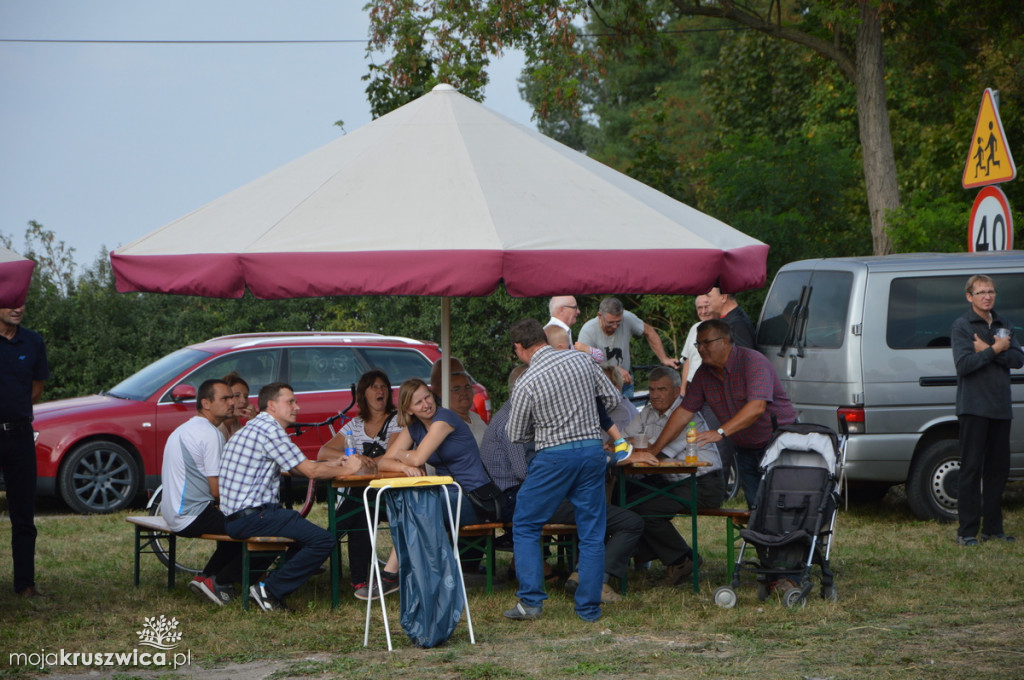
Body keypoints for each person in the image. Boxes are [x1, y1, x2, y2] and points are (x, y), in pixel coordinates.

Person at [479, 366, 648, 604]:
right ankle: (593, 581)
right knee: (628, 521)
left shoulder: (513, 416)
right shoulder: (511, 422)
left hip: (528, 497)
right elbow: (525, 473)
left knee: (597, 509)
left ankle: (580, 571)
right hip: (524, 500)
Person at [503, 318, 621, 622]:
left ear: (519, 347)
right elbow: (613, 398)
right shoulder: (581, 360)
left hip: (553, 457)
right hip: (592, 451)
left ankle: (530, 602)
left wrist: (544, 431)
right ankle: (588, 608)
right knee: (592, 532)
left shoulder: (526, 381)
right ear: (543, 337)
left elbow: (516, 434)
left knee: (526, 524)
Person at [220, 382, 376, 611]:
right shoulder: (270, 430)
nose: (298, 407)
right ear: (272, 405)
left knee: (303, 532)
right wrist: (348, 470)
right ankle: (269, 590)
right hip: (254, 516)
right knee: (324, 540)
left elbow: (296, 467)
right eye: (290, 402)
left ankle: (268, 584)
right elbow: (310, 472)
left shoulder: (258, 427)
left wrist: (332, 464)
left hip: (238, 517)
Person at [648, 319, 797, 508]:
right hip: (745, 448)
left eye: (706, 343)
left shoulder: (753, 361)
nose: (700, 349)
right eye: (698, 344)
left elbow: (757, 407)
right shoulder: (703, 373)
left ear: (725, 341)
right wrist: (655, 450)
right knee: (756, 509)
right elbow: (683, 412)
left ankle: (795, 538)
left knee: (785, 506)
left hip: (779, 444)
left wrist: (719, 432)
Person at [622, 366, 725, 586]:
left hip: (705, 484)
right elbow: (622, 441)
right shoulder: (648, 412)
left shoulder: (688, 417)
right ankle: (669, 558)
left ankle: (683, 559)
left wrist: (639, 445)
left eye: (662, 389)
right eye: (651, 389)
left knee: (643, 510)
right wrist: (637, 445)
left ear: (677, 390)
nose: (655, 395)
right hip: (673, 481)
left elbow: (657, 453)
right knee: (625, 503)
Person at [951, 275, 1023, 546]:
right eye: (981, 292)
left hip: (1000, 407)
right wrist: (994, 350)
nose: (987, 296)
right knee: (971, 469)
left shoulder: (1004, 323)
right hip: (974, 407)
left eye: (990, 291)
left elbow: (1017, 359)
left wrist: (991, 351)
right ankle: (967, 532)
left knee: (998, 470)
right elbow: (964, 365)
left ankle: (993, 529)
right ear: (969, 297)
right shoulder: (962, 326)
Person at [318, 369, 402, 599]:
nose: (380, 391)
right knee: (362, 510)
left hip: (391, 494)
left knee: (358, 506)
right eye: (374, 387)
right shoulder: (356, 424)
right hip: (362, 493)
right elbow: (323, 451)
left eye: (383, 386)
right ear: (363, 394)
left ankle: (322, 545)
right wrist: (349, 460)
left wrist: (364, 462)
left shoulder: (397, 420)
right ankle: (357, 581)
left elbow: (391, 458)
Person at [160, 379, 242, 605]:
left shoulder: (184, 428)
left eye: (232, 397)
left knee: (235, 524)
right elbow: (217, 491)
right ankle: (219, 581)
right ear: (206, 403)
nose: (232, 403)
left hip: (173, 513)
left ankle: (205, 577)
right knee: (250, 526)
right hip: (192, 515)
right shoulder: (210, 434)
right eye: (225, 399)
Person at [0, 304, 49, 598]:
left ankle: (25, 584)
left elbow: (36, 390)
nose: (18, 309)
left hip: (18, 434)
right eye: (10, 303)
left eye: (22, 303)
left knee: (23, 514)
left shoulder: (33, 341)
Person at [577, 297, 680, 398]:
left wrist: (664, 359)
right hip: (601, 387)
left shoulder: (627, 318)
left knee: (628, 413)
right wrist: (614, 371)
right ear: (600, 316)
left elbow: (649, 332)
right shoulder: (587, 331)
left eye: (618, 322)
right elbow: (585, 367)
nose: (615, 326)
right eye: (610, 323)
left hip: (626, 383)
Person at [545, 295, 604, 362]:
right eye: (574, 308)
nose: (578, 311)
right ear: (561, 309)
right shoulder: (550, 335)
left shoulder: (553, 332)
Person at [680, 294, 715, 393]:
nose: (703, 311)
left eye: (706, 306)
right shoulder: (694, 328)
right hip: (693, 387)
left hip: (712, 388)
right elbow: (688, 360)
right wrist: (683, 391)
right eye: (700, 308)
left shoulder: (723, 329)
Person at [218, 371, 256, 440]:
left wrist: (254, 422)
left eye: (246, 396)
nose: (243, 401)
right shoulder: (216, 428)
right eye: (237, 396)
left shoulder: (235, 424)